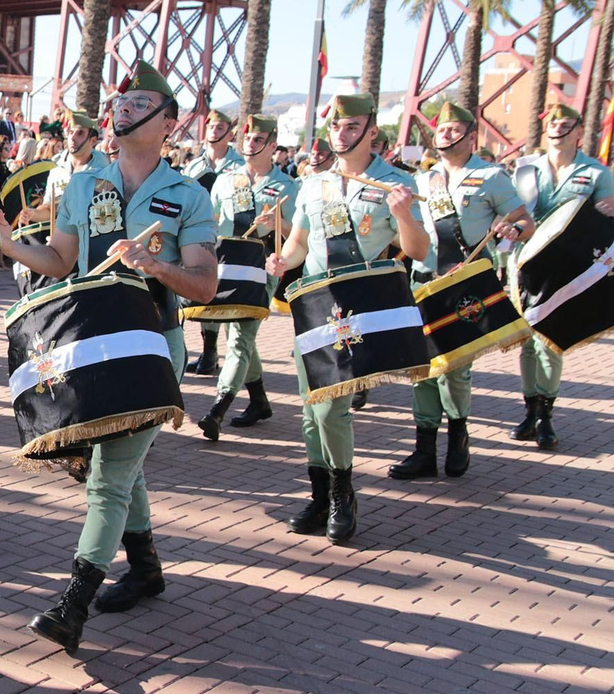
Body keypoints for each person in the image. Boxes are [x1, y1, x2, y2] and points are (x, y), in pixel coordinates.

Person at [0, 62, 217, 653]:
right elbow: (61, 261)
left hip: (152, 345)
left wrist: (156, 265)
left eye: (139, 103)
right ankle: (145, 568)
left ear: (168, 123)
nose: (122, 109)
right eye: (120, 102)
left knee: (109, 475)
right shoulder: (84, 185)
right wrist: (11, 243)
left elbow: (205, 285)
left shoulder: (188, 196)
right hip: (92, 345)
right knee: (114, 465)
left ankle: (74, 603)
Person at [267, 93, 429, 543]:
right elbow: (299, 244)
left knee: (331, 408)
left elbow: (418, 250)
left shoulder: (394, 183)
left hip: (358, 306)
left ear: (371, 131)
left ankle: (343, 493)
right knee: (311, 407)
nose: (341, 133)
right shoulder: (313, 183)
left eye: (352, 125)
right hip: (314, 303)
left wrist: (403, 216)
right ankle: (320, 495)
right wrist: (282, 261)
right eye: (336, 126)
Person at [390, 101, 533, 479]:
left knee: (455, 368)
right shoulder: (423, 180)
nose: (446, 135)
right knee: (422, 366)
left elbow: (524, 221)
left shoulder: (491, 176)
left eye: (454, 130)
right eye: (441, 129)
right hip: (424, 282)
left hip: (464, 285)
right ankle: (424, 449)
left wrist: (512, 230)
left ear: (471, 137)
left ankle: (458, 438)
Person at [506, 101, 614, 449]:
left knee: (550, 340)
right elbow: (512, 212)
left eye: (564, 124)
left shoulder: (596, 173)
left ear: (578, 131)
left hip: (565, 267)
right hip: (527, 263)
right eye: (552, 125)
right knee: (527, 342)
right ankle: (529, 412)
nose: (556, 129)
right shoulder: (526, 170)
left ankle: (545, 416)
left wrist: (608, 211)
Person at [197, 113, 298, 440]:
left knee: (241, 336)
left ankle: (219, 407)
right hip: (228, 266)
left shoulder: (286, 186)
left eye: (258, 140)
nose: (250, 145)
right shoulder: (227, 180)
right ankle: (259, 400)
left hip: (262, 267)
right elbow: (211, 221)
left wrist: (278, 224)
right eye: (247, 139)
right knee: (238, 333)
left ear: (272, 145)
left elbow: (299, 234)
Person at [180, 109, 245, 376]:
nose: (214, 131)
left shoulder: (239, 166)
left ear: (230, 133)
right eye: (211, 127)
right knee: (200, 295)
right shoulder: (194, 165)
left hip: (227, 238)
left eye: (220, 127)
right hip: (198, 236)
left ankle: (226, 356)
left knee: (224, 298)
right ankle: (208, 353)